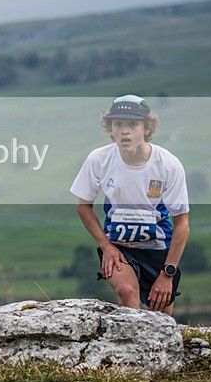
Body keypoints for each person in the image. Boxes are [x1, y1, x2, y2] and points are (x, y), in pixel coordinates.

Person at [70, 95, 190, 315]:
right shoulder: (99, 159)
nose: (125, 131)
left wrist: (168, 273)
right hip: (119, 247)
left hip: (158, 249)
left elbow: (182, 223)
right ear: (110, 128)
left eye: (133, 125)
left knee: (160, 315)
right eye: (118, 125)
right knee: (126, 292)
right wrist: (106, 246)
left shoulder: (168, 165)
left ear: (146, 128)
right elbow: (83, 206)